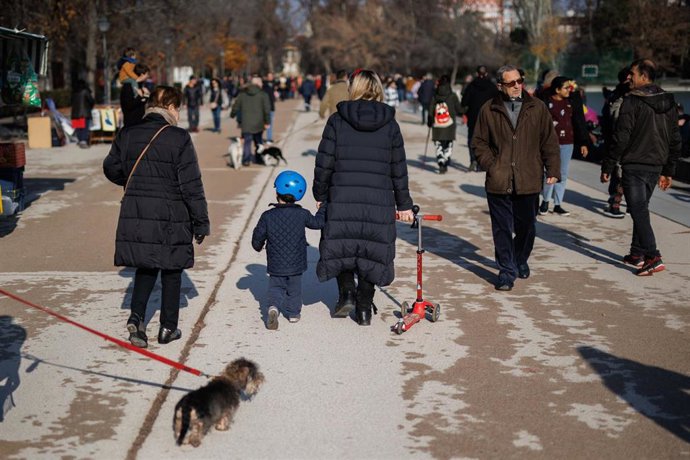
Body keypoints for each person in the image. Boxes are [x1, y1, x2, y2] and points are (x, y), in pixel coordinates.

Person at [103, 86, 210, 348]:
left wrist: (133, 181)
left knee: (146, 266)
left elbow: (110, 168)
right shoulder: (178, 137)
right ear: (171, 108)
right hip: (172, 213)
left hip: (137, 210)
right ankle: (167, 328)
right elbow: (191, 184)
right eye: (179, 109)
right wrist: (200, 221)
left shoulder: (127, 133)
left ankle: (137, 318)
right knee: (172, 270)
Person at [313, 69, 414, 326]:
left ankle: (346, 292)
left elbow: (324, 162)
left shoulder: (337, 120)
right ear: (378, 88)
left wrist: (320, 194)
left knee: (344, 245)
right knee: (371, 250)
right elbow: (398, 169)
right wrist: (404, 204)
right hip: (378, 200)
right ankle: (365, 305)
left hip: (343, 195)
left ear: (353, 88)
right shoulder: (390, 125)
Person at [472, 65, 560, 291]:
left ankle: (520, 258)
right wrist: (492, 165)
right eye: (511, 83)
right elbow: (479, 143)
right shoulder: (489, 109)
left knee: (527, 227)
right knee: (501, 228)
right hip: (499, 180)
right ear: (500, 86)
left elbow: (549, 142)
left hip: (529, 178)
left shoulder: (537, 108)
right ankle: (506, 271)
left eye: (519, 81)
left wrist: (552, 170)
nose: (517, 86)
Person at [600, 59, 681, 276]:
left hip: (635, 163)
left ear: (644, 77)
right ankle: (636, 253)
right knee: (641, 207)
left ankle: (653, 256)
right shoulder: (670, 102)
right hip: (655, 163)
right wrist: (668, 169)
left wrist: (608, 164)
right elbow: (675, 139)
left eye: (633, 74)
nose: (629, 78)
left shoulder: (632, 101)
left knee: (637, 209)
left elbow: (621, 136)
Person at [252, 171, 326, 329]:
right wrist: (322, 208)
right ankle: (293, 314)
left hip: (276, 263)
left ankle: (273, 308)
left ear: (277, 192)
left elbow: (257, 238)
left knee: (276, 287)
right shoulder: (302, 214)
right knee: (294, 289)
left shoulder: (267, 216)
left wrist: (257, 246)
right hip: (296, 263)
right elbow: (318, 223)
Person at [538, 76, 590, 216]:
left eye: (570, 87)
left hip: (568, 143)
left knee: (563, 173)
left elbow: (579, 122)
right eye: (566, 88)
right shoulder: (545, 102)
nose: (569, 90)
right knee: (549, 172)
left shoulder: (571, 101)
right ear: (557, 89)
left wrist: (583, 143)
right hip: (550, 144)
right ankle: (545, 201)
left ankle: (558, 204)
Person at [600, 66, 632, 218]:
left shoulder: (618, 95)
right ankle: (616, 203)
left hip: (626, 143)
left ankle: (627, 203)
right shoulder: (619, 97)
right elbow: (613, 120)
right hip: (620, 142)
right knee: (619, 174)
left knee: (623, 175)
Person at [460, 65, 499, 172]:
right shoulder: (492, 86)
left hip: (473, 116)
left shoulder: (471, 85)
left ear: (477, 73)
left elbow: (464, 102)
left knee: (472, 139)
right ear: (486, 73)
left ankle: (473, 160)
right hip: (488, 118)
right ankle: (482, 162)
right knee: (485, 141)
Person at [427, 74, 463, 174]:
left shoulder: (435, 96)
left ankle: (441, 162)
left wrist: (430, 119)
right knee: (448, 144)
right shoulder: (453, 96)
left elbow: (431, 109)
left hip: (437, 124)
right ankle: (446, 159)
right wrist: (466, 109)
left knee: (439, 144)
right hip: (450, 124)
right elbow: (459, 109)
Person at [231, 76, 271, 166]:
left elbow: (236, 106)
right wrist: (267, 122)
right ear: (257, 84)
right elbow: (267, 110)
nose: (262, 84)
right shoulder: (263, 94)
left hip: (246, 123)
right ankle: (259, 158)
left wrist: (232, 114)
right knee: (258, 142)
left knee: (247, 142)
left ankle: (246, 159)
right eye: (261, 83)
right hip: (259, 123)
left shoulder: (242, 94)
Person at [119, 64, 151, 128]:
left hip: (140, 122)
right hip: (131, 123)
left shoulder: (140, 85)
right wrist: (140, 97)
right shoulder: (128, 86)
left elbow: (141, 102)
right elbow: (129, 105)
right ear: (142, 74)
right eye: (147, 74)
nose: (148, 76)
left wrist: (146, 96)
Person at [70, 79, 94, 148]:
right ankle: (83, 141)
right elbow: (91, 101)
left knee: (78, 128)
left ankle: (80, 140)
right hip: (84, 112)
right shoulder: (85, 91)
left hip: (75, 113)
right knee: (84, 128)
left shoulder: (74, 92)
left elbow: (71, 102)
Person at [262, 73, 277, 142]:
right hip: (266, 107)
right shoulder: (265, 86)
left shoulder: (274, 84)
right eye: (269, 76)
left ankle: (269, 138)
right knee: (265, 123)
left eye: (271, 76)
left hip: (271, 107)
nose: (271, 77)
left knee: (270, 123)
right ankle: (261, 138)